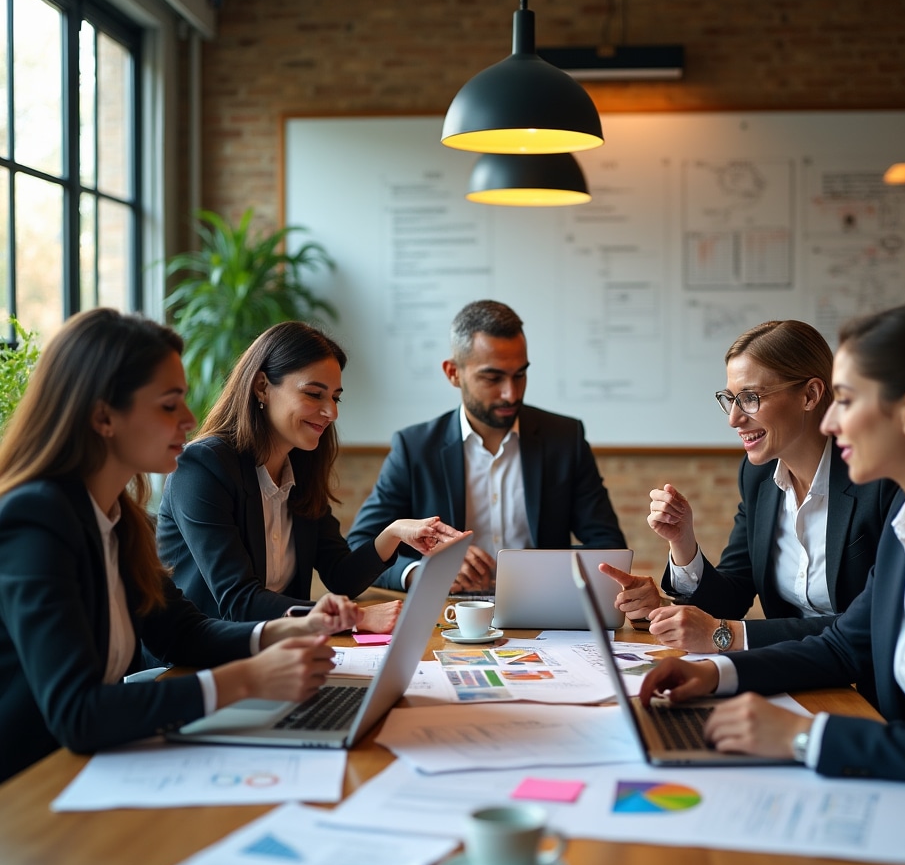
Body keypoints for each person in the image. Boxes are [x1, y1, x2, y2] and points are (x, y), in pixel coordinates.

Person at [640, 300, 905, 856]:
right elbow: (845, 646)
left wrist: (800, 735)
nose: (833, 421)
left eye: (846, 400)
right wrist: (716, 674)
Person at [0, 308, 366, 784]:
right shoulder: (36, 519)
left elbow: (181, 632)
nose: (190, 420)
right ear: (103, 415)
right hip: (29, 789)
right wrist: (249, 679)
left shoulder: (120, 518)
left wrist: (287, 631)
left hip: (98, 767)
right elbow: (78, 713)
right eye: (169, 405)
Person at [601, 320, 897, 654]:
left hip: (864, 683)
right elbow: (731, 599)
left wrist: (729, 635)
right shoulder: (759, 477)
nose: (734, 419)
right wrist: (683, 541)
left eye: (751, 398)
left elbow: (873, 621)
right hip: (792, 671)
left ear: (810, 395)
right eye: (730, 399)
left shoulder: (879, 481)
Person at [158, 321, 463, 629]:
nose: (332, 412)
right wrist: (355, 618)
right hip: (197, 662)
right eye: (315, 394)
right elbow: (239, 601)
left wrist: (394, 533)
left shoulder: (300, 469)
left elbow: (341, 576)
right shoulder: (202, 467)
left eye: (335, 397)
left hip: (277, 654)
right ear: (262, 386)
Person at [347, 299, 626, 592]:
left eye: (520, 374)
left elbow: (608, 546)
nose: (511, 393)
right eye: (493, 378)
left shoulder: (565, 438)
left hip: (544, 609)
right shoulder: (415, 448)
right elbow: (358, 549)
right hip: (449, 617)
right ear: (453, 373)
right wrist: (424, 572)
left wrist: (543, 575)